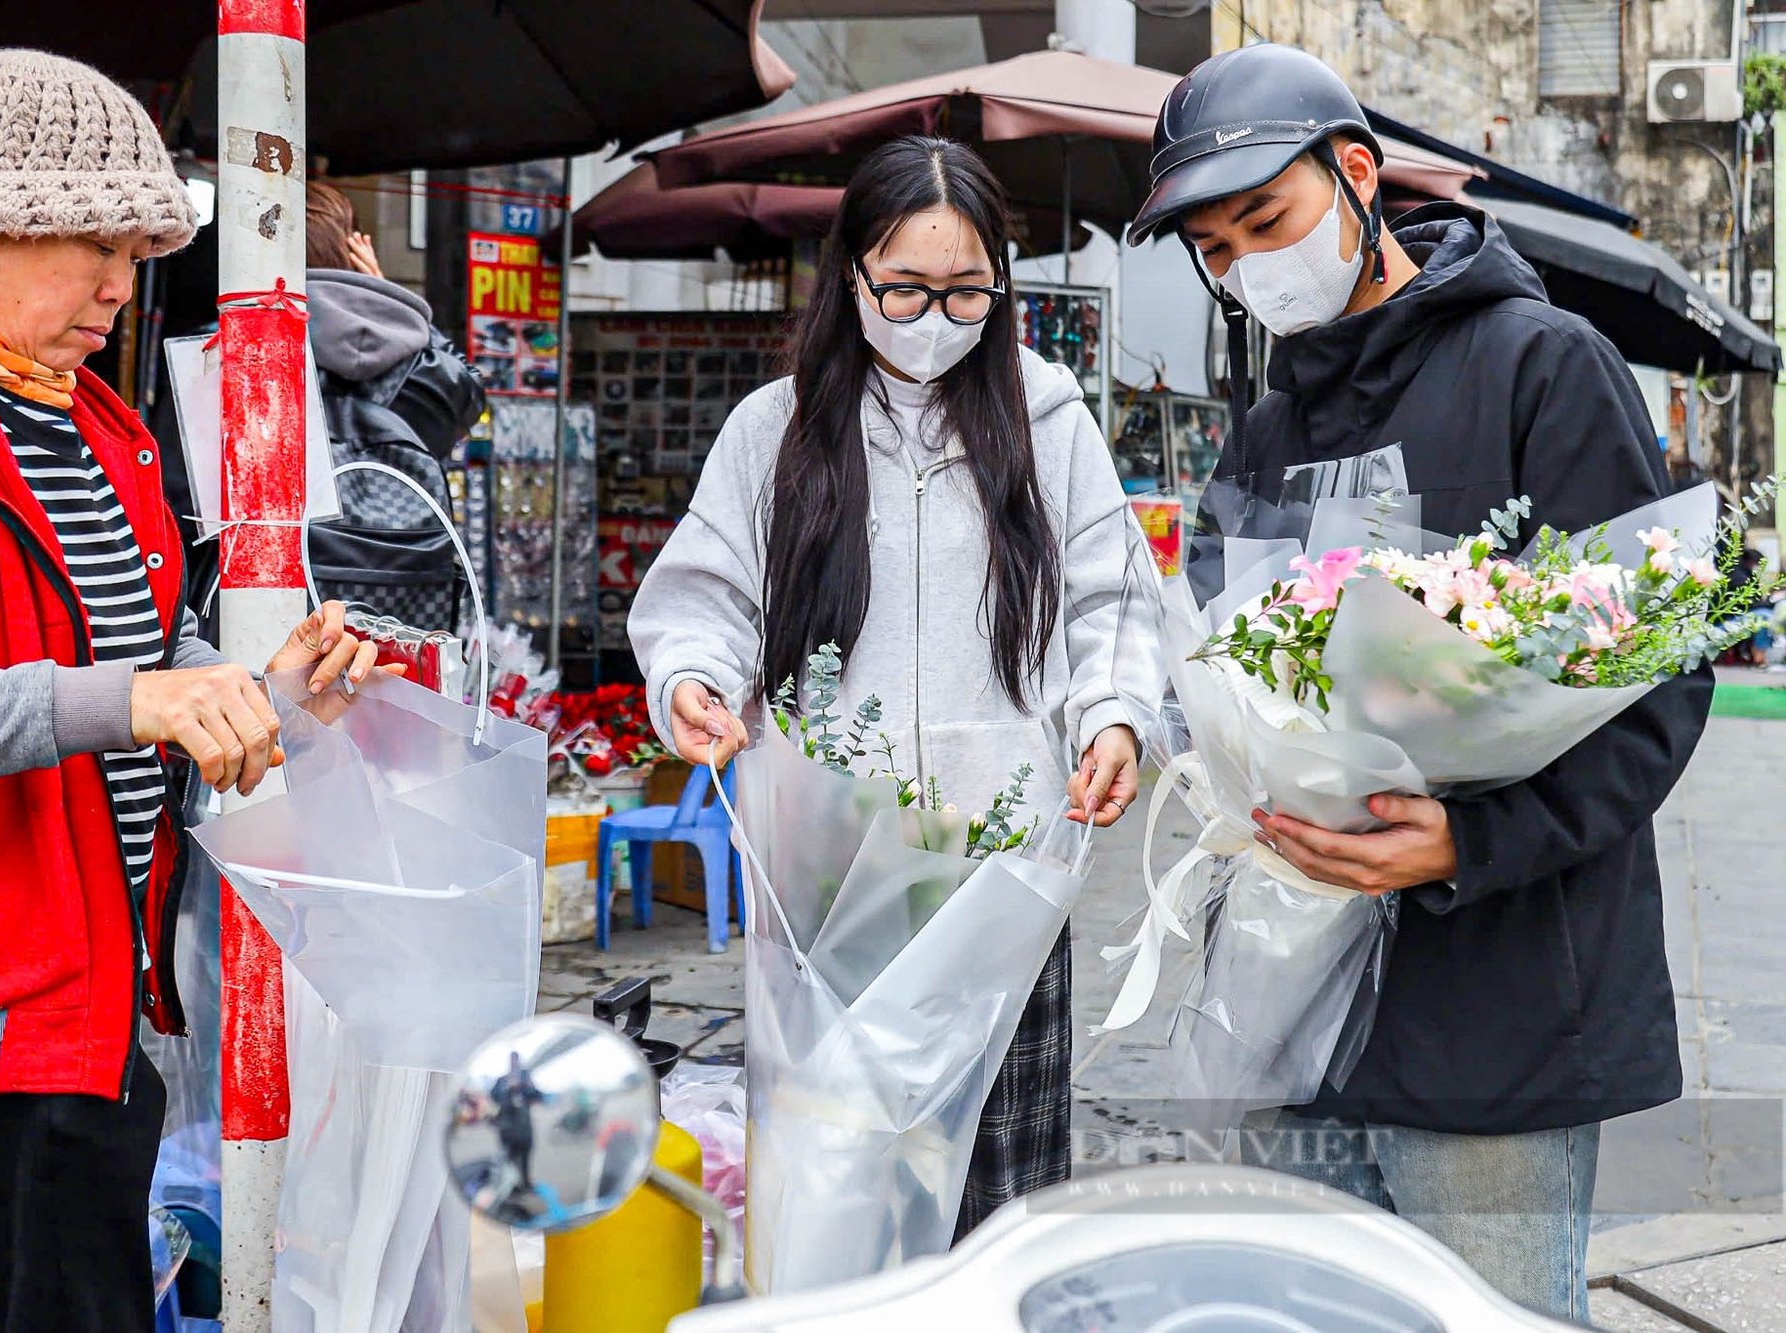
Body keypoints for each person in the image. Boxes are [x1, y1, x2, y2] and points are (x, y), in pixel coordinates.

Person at [0, 50, 384, 1331]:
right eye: (88, 242)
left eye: (134, 245)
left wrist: (258, 696)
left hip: (82, 996)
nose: (121, 282)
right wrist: (123, 703)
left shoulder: (78, 413)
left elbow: (139, 661)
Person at [1131, 43, 1714, 1321]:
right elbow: (1227, 668)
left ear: (1356, 175)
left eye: (1264, 222)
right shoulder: (1266, 429)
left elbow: (1656, 680)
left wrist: (1466, 838)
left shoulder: (1541, 367)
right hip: (1294, 1007)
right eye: (1214, 252)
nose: (1244, 267)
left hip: (1496, 1010)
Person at [629, 135, 1165, 1234]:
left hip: (1002, 875)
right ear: (851, 280)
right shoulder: (772, 431)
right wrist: (691, 676)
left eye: (967, 290)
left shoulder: (1046, 420)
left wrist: (1113, 712)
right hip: (831, 879)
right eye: (907, 288)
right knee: (840, 1194)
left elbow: (1111, 601)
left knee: (996, 1195)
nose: (936, 317)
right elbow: (704, 595)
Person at [304, 181, 487, 631]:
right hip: (402, 627)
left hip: (288, 622)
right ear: (354, 253)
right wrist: (387, 300)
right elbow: (467, 392)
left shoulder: (246, 341)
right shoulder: (410, 358)